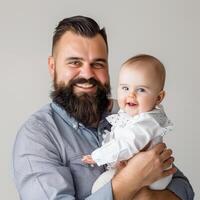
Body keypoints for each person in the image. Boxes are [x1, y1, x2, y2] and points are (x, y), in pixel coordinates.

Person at [12, 16, 194, 200]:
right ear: (53, 67)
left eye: (98, 64)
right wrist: (131, 181)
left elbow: (183, 187)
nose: (87, 74)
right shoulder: (37, 137)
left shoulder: (125, 115)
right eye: (75, 62)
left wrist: (147, 196)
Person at [82, 54, 173, 192]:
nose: (131, 95)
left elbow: (128, 143)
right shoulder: (131, 114)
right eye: (125, 88)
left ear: (158, 97)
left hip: (154, 175)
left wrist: (98, 156)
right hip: (135, 169)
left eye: (141, 90)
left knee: (99, 188)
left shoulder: (147, 121)